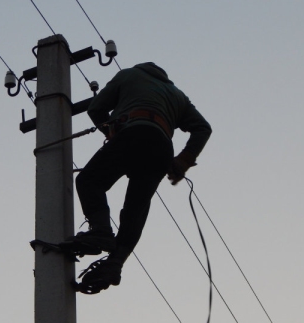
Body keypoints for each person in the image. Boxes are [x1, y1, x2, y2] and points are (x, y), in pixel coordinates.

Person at [69, 62, 212, 294]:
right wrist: (184, 160)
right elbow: (203, 128)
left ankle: (101, 231)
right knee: (136, 208)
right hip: (161, 148)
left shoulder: (128, 75)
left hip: (133, 133)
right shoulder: (179, 96)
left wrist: (111, 134)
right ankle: (115, 262)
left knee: (90, 181)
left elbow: (96, 109)